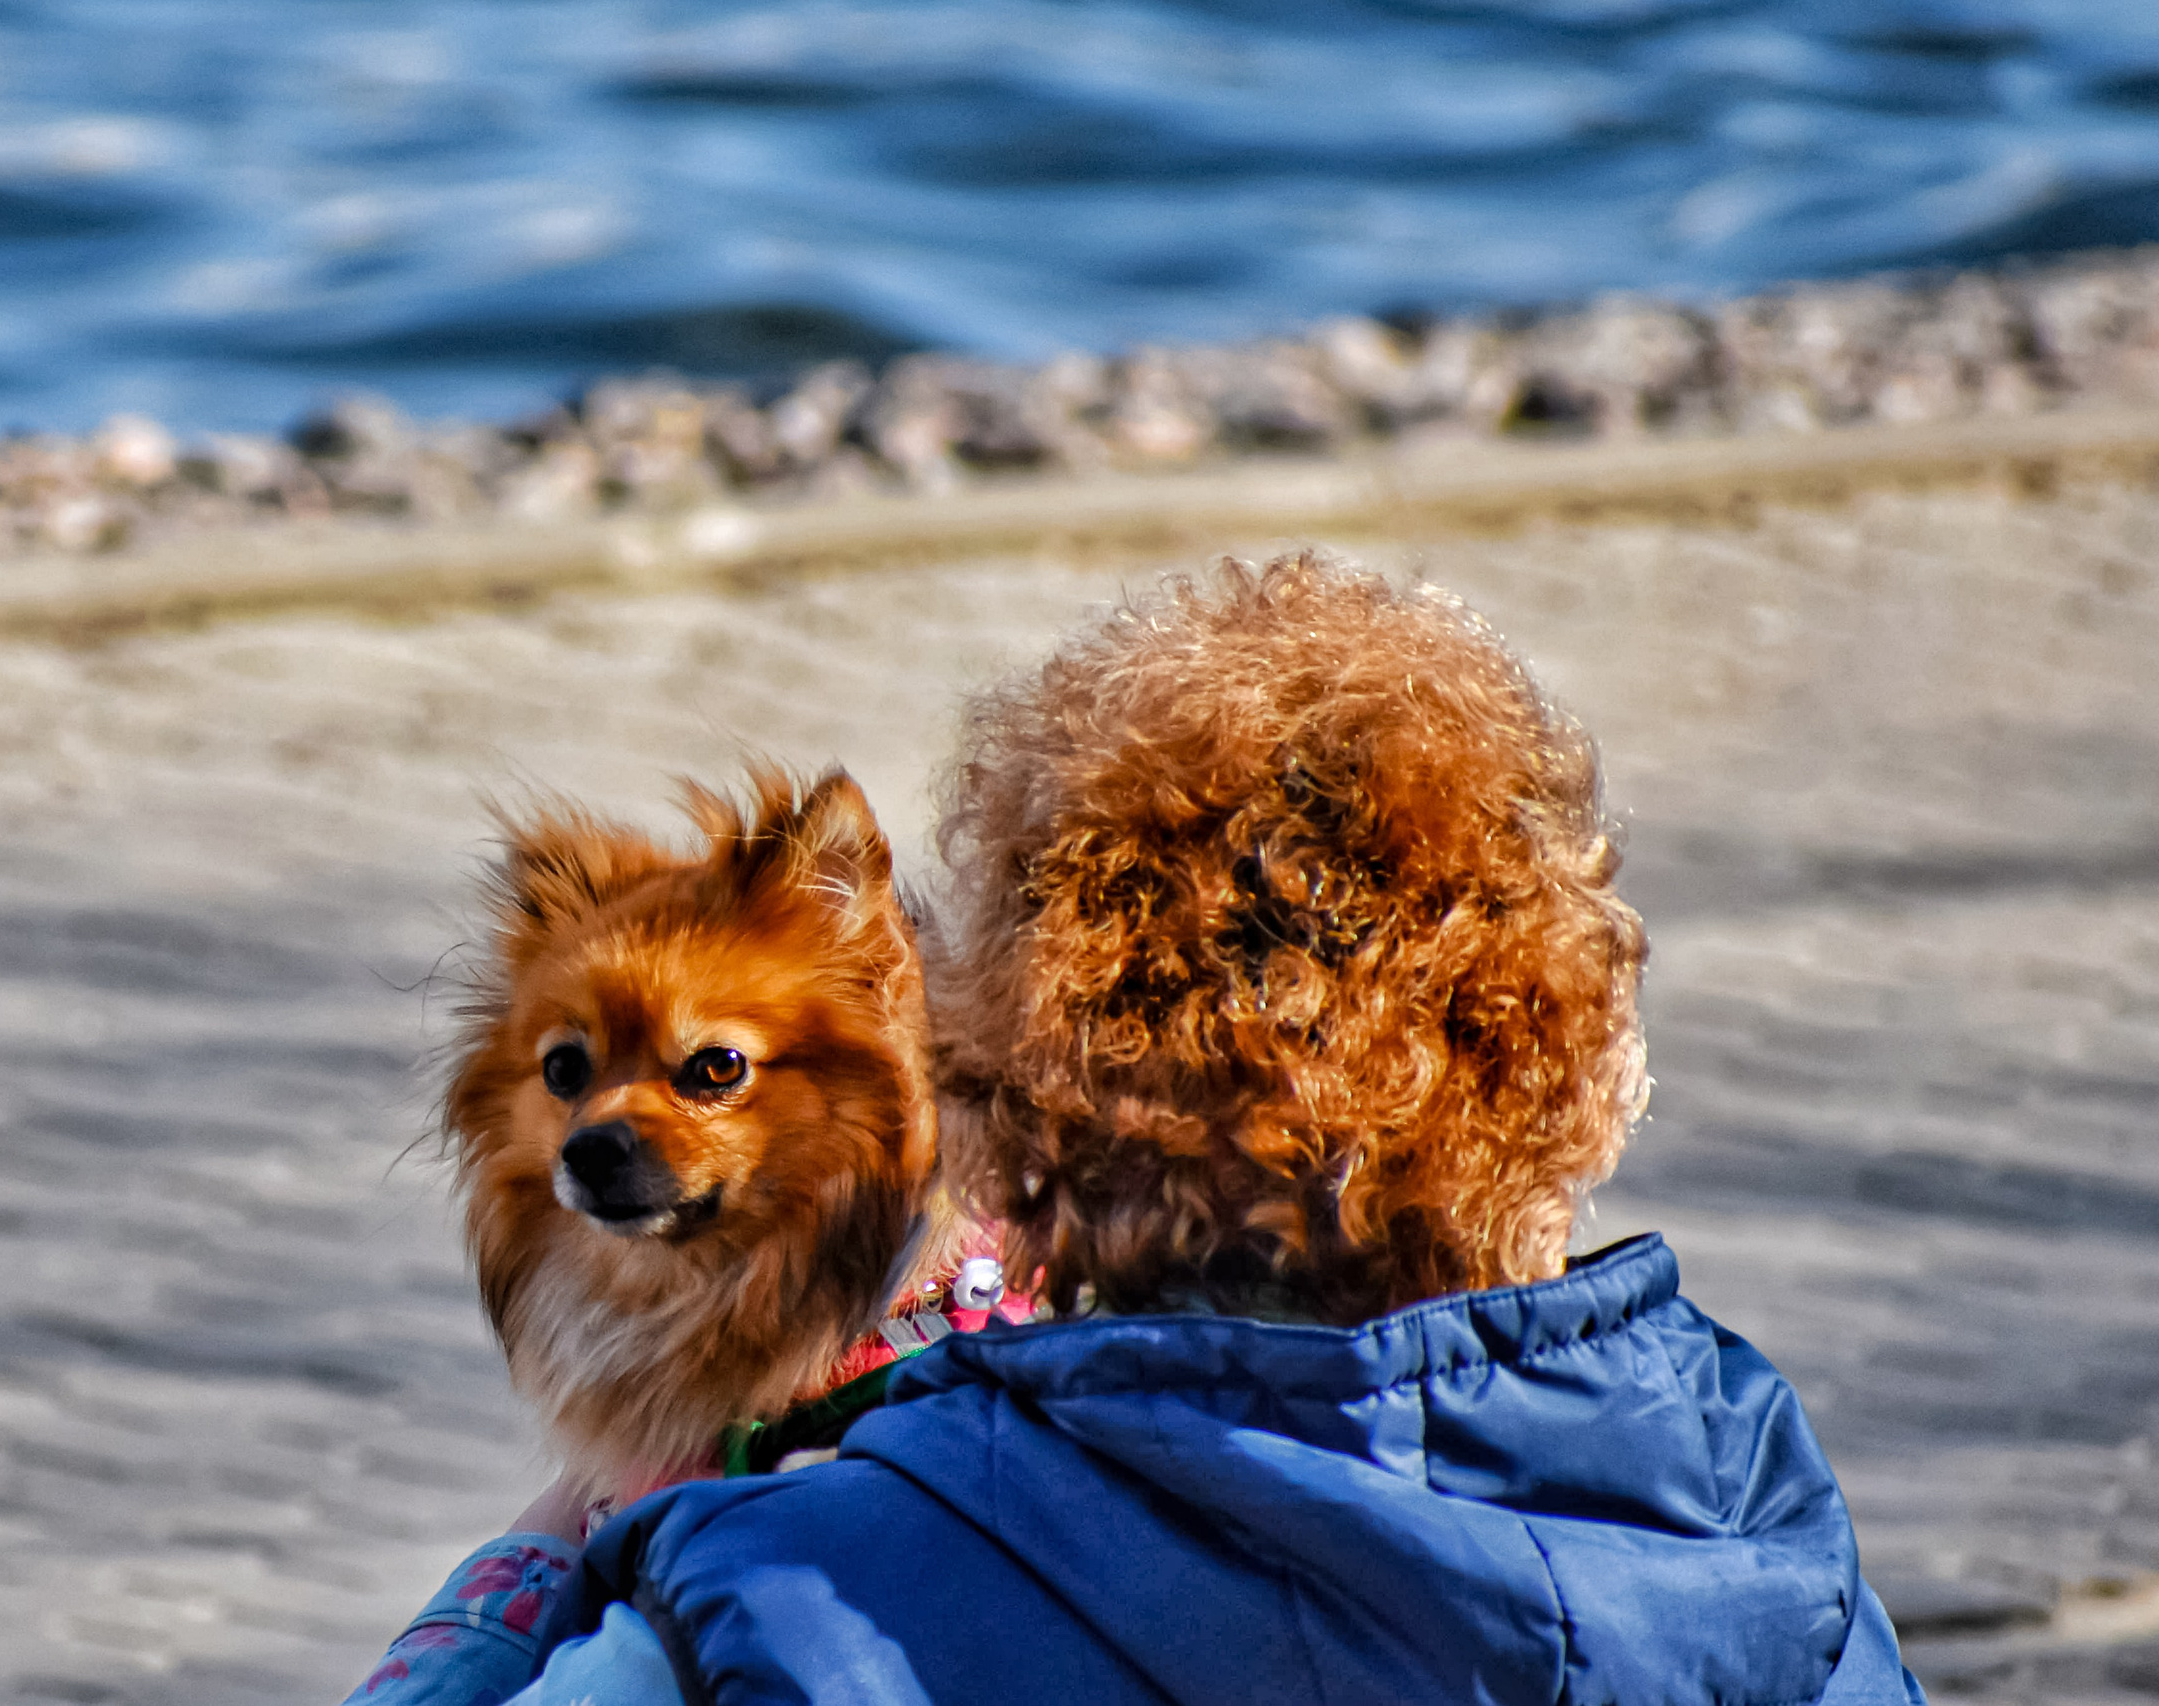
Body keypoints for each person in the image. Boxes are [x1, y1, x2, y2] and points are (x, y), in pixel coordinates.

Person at [346, 555, 1925, 1705]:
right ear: (1569, 1067)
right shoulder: (1744, 1493)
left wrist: (550, 1548)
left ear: (1006, 1095)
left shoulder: (801, 1584)